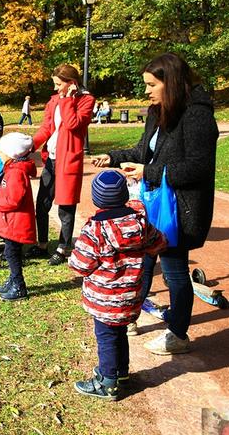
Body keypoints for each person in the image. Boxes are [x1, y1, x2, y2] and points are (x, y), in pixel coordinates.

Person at [92, 52, 218, 354]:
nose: (146, 91)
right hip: (150, 203)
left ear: (171, 83)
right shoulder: (157, 110)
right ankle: (130, 316)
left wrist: (148, 171)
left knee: (174, 271)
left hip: (177, 210)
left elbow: (199, 167)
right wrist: (115, 157)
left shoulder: (197, 115)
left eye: (151, 84)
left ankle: (178, 335)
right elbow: (143, 149)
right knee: (143, 263)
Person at [68, 170, 167, 400]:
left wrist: (74, 260)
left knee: (107, 337)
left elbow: (80, 265)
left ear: (97, 199)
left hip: (105, 299)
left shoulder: (95, 230)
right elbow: (159, 243)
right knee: (119, 332)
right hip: (131, 295)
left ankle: (107, 382)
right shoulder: (140, 223)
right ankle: (121, 373)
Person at [26, 64, 95, 265]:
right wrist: (31, 146)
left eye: (59, 84)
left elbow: (73, 124)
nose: (56, 89)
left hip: (69, 162)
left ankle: (63, 248)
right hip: (52, 159)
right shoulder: (55, 100)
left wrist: (67, 100)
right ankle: (42, 244)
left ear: (71, 83)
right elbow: (47, 128)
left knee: (66, 208)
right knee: (42, 204)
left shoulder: (86, 100)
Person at [0, 133, 36, 301]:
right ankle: (13, 280)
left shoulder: (16, 173)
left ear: (12, 154)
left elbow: (14, 200)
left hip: (16, 222)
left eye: (2, 152)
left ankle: (19, 285)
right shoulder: (12, 169)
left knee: (12, 253)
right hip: (13, 221)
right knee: (11, 252)